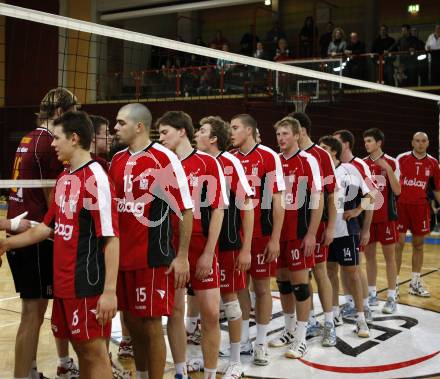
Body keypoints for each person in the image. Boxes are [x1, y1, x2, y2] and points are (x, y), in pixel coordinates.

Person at [1, 110, 120, 376]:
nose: (52, 144)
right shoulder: (65, 179)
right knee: (82, 352)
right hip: (63, 285)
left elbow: (111, 239)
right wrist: (7, 244)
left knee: (94, 353)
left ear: (74, 138)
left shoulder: (96, 179)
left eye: (56, 138)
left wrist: (109, 291)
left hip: (86, 284)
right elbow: (44, 228)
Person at [109, 103, 194, 379]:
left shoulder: (164, 159)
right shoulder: (117, 159)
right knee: (132, 324)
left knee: (151, 324)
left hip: (153, 257)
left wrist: (181, 257)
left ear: (139, 126)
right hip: (122, 257)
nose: (115, 128)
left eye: (121, 123)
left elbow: (185, 209)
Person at [6, 87, 79, 379]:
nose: (78, 117)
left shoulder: (28, 136)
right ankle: (22, 376)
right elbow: (52, 195)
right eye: (74, 110)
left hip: (21, 229)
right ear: (60, 112)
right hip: (35, 234)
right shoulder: (50, 142)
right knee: (32, 314)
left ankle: (32, 371)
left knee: (33, 313)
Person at [158, 111, 228, 379]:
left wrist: (209, 253)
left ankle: (210, 373)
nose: (161, 138)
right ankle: (180, 372)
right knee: (175, 312)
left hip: (201, 247)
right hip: (172, 249)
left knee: (210, 313)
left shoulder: (208, 163)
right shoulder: (162, 166)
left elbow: (218, 210)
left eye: (165, 132)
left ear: (182, 131)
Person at [195, 115, 254, 379]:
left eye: (201, 130)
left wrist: (246, 248)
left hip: (228, 244)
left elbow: (248, 206)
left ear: (213, 138)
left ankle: (235, 359)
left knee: (230, 301)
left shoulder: (230, 162)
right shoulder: (196, 163)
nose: (197, 134)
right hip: (204, 243)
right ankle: (211, 355)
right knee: (207, 305)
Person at [230, 114, 285, 365]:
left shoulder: (268, 156)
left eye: (235, 127)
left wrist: (275, 238)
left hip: (262, 233)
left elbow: (277, 200)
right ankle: (243, 341)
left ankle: (261, 343)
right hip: (236, 235)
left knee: (262, 289)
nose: (230, 132)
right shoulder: (230, 158)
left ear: (249, 130)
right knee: (240, 287)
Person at [274, 117, 323, 358]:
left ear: (296, 135)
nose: (281, 138)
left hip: (299, 232)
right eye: (279, 135)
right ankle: (289, 329)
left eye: (285, 134)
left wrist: (312, 233)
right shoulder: (274, 161)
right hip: (278, 233)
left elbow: (318, 198)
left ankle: (302, 337)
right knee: (282, 282)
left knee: (300, 284)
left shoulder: (308, 160)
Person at [287, 112, 337, 345]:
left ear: (302, 131)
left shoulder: (320, 156)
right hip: (292, 228)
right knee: (296, 276)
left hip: (316, 226)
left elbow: (331, 194)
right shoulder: (285, 156)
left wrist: (331, 227)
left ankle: (329, 323)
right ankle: (305, 324)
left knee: (319, 271)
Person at [319, 135, 375, 338]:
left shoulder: (349, 170)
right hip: (326, 232)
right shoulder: (320, 172)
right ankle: (334, 314)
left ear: (334, 151)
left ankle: (361, 318)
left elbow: (372, 194)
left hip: (346, 230)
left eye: (323, 147)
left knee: (352, 272)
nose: (319, 150)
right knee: (330, 272)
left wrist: (359, 210)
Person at [333, 130, 375, 322]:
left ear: (346, 144)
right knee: (341, 268)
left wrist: (364, 227)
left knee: (355, 268)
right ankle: (350, 303)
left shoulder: (359, 165)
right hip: (336, 228)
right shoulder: (331, 167)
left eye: (336, 141)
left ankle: (364, 307)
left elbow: (373, 197)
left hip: (353, 227)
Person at [395, 132, 440, 298]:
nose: (420, 144)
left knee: (419, 245)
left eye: (423, 141)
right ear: (412, 142)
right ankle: (395, 284)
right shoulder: (401, 159)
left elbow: (436, 188)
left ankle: (415, 282)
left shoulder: (433, 163)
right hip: (401, 206)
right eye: (417, 141)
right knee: (398, 244)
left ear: (428, 143)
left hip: (421, 208)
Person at [363, 128, 400, 314]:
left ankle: (392, 296)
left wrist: (387, 169)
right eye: (365, 141)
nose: (366, 144)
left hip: (387, 218)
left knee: (389, 258)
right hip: (369, 219)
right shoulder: (362, 164)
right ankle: (372, 294)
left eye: (369, 141)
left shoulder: (392, 162)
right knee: (369, 257)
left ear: (379, 143)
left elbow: (398, 190)